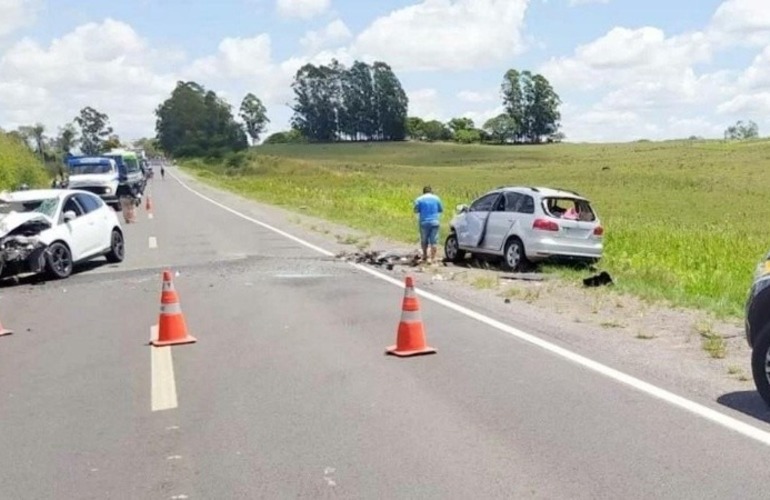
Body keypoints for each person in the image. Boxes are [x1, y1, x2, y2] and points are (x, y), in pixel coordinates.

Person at [413, 186, 443, 264]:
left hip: (424, 222)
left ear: (423, 192)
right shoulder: (437, 198)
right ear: (431, 191)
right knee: (434, 241)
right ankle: (433, 258)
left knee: (424, 240)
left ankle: (425, 256)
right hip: (435, 221)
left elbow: (416, 210)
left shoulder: (419, 199)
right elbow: (440, 209)